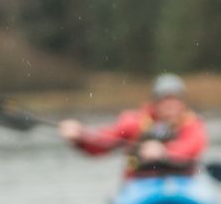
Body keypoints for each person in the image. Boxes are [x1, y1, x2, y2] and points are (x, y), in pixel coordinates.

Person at [58, 73, 208, 178]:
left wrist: (164, 152)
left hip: (184, 181)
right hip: (141, 181)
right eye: (165, 99)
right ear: (155, 102)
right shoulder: (134, 122)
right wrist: (80, 136)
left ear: (183, 103)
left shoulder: (192, 124)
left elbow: (191, 147)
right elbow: (103, 141)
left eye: (175, 99)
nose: (170, 105)